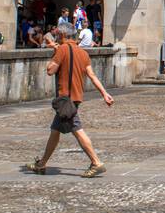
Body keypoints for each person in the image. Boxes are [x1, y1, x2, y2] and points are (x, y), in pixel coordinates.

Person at [26, 23, 115, 178]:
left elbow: (50, 70)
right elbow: (92, 76)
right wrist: (104, 93)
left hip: (65, 99)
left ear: (61, 35)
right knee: (55, 130)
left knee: (77, 129)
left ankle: (96, 162)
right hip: (76, 97)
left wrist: (55, 53)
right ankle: (41, 164)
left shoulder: (61, 50)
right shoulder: (83, 53)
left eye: (57, 35)